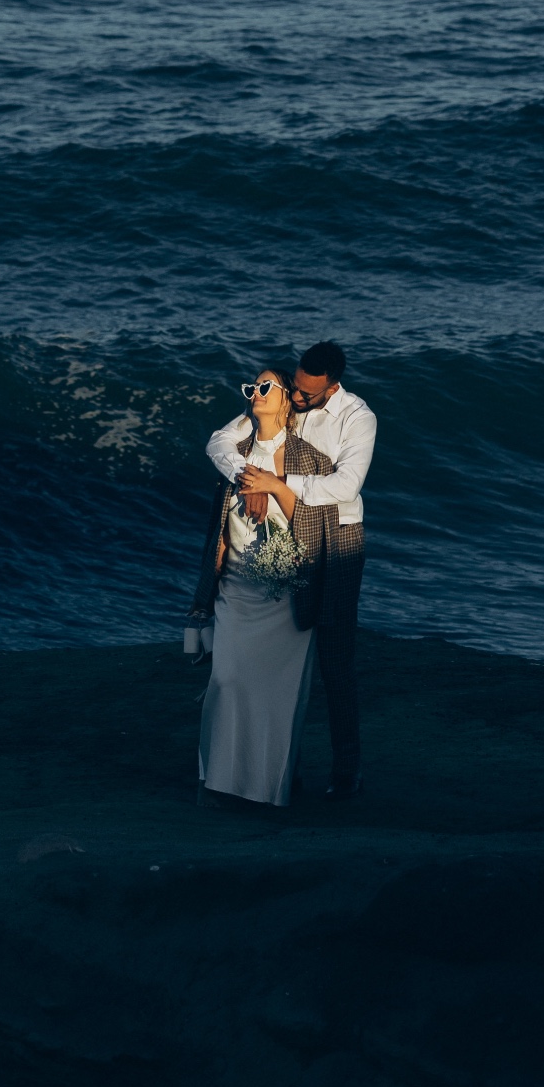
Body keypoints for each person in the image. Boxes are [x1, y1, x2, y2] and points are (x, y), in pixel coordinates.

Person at [204, 341, 376, 800]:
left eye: (307, 393)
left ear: (331, 387)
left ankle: (346, 772)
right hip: (283, 527)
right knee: (285, 660)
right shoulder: (285, 402)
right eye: (294, 388)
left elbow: (346, 485)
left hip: (337, 537)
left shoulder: (357, 417)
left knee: (334, 660)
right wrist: (248, 475)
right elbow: (221, 441)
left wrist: (278, 484)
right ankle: (281, 769)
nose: (298, 398)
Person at [188, 367, 335, 807]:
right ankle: (218, 781)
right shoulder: (232, 454)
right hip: (235, 591)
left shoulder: (311, 459)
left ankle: (270, 790)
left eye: (265, 386)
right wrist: (246, 475)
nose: (256, 392)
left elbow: (317, 524)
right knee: (228, 682)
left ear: (287, 398)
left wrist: (271, 486)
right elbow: (221, 522)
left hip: (286, 596)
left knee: (278, 697)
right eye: (251, 387)